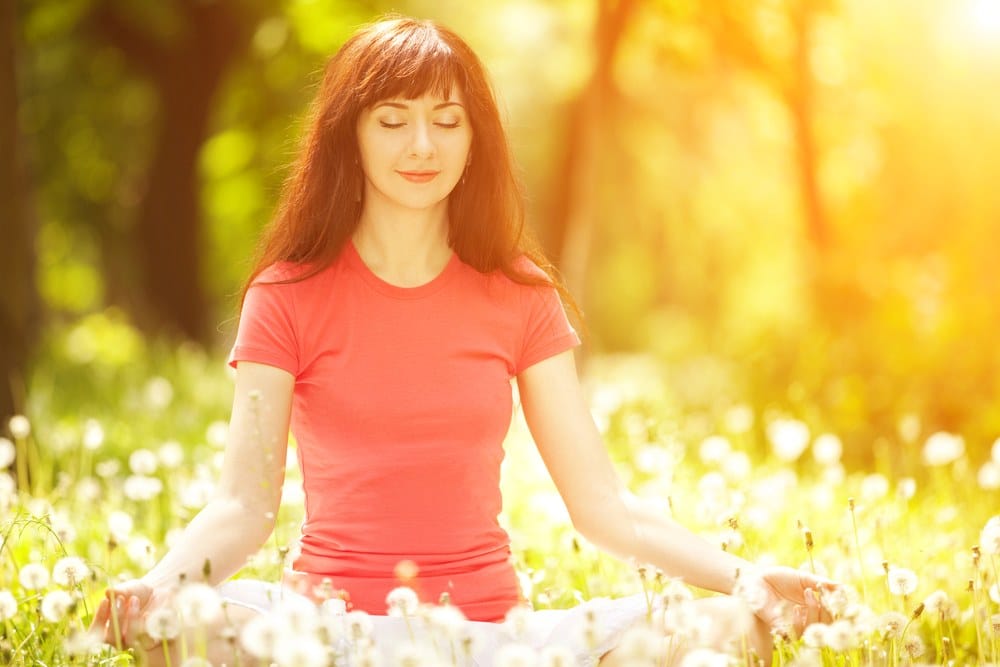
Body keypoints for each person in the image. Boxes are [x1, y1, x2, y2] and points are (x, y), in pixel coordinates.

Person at [90, 15, 833, 666]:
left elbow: (601, 505)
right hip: (323, 637)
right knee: (177, 628)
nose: (422, 145)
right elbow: (242, 508)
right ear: (348, 131)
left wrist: (744, 577)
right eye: (393, 119)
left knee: (737, 629)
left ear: (476, 137)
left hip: (491, 639)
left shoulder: (521, 293)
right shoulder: (285, 294)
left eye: (447, 121)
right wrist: (159, 585)